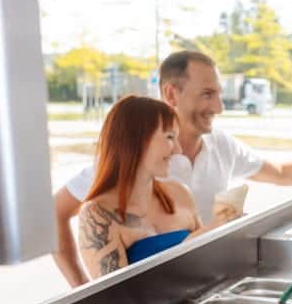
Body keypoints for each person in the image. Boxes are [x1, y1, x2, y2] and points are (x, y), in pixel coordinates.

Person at [54, 50, 292, 286]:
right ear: (172, 94)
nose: (219, 107)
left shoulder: (216, 151)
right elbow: (56, 216)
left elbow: (282, 173)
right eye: (207, 94)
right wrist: (79, 289)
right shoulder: (107, 193)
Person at [77, 95, 236, 279]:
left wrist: (228, 233)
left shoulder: (180, 194)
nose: (178, 150)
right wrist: (201, 235)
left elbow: (203, 268)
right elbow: (118, 300)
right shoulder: (96, 215)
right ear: (135, 140)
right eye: (170, 137)